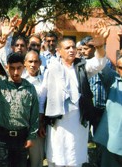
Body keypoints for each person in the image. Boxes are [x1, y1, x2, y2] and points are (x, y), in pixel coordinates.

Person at [40, 28, 107, 167]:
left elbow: (98, 64)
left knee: (74, 158)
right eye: (67, 47)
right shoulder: (52, 68)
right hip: (58, 121)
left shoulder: (81, 66)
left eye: (73, 47)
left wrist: (100, 47)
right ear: (59, 51)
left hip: (78, 120)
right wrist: (41, 119)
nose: (71, 50)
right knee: (58, 157)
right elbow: (43, 94)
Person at [0, 36, 39, 167]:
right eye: (12, 68)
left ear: (24, 67)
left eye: (19, 68)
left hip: (22, 138)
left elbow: (34, 116)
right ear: (7, 67)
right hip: (2, 138)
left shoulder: (30, 89)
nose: (15, 72)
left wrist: (31, 136)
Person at [94, 55, 122, 167]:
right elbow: (102, 67)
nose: (121, 70)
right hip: (112, 139)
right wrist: (100, 47)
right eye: (119, 67)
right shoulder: (113, 80)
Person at [22, 50, 45, 167]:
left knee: (36, 161)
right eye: (30, 61)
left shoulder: (44, 81)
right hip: (20, 127)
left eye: (36, 62)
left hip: (37, 127)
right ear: (25, 63)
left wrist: (41, 123)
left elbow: (43, 105)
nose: (33, 64)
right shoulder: (18, 79)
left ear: (40, 63)